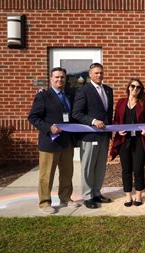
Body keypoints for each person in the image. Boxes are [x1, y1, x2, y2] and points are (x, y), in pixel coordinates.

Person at [28, 67, 78, 214]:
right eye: (56, 77)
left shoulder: (69, 95)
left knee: (67, 174)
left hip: (67, 142)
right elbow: (33, 117)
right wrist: (49, 127)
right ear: (51, 79)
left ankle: (66, 198)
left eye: (62, 77)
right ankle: (44, 202)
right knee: (46, 175)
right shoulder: (43, 96)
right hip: (50, 142)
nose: (59, 80)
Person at [72, 63, 114, 209]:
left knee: (101, 167)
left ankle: (97, 193)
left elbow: (108, 113)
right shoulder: (83, 90)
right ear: (90, 75)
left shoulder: (108, 90)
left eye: (101, 73)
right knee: (88, 167)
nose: (99, 75)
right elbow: (76, 113)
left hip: (104, 136)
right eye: (96, 73)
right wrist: (93, 121)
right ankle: (88, 196)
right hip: (89, 136)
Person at [110, 78, 145, 207]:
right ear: (128, 87)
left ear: (140, 90)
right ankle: (128, 196)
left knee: (138, 169)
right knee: (126, 169)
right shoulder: (121, 102)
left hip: (138, 140)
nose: (135, 89)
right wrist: (118, 130)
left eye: (138, 87)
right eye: (133, 86)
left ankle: (138, 196)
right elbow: (116, 120)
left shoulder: (143, 104)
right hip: (124, 140)